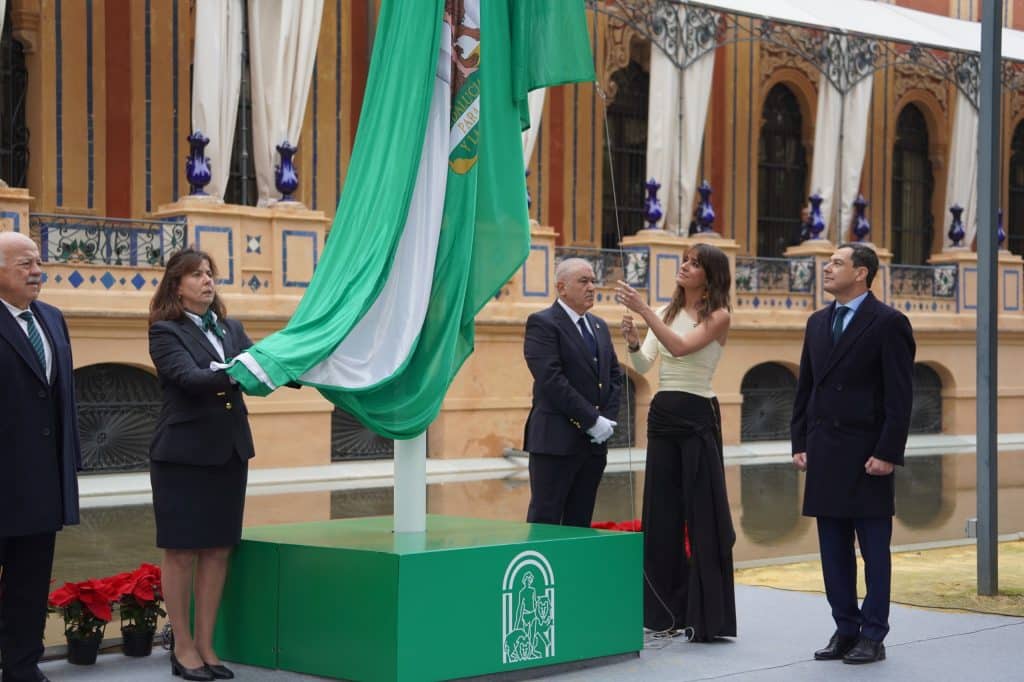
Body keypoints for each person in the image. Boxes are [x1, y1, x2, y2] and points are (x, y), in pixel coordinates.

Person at [790, 243, 915, 665]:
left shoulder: (889, 323)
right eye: (828, 263)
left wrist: (887, 452)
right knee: (832, 550)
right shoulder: (817, 322)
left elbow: (900, 397)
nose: (826, 268)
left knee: (874, 552)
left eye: (837, 263)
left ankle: (873, 634)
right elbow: (806, 387)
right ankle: (845, 628)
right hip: (824, 451)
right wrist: (799, 441)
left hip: (867, 455)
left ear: (861, 273)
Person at [615, 243, 736, 641]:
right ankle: (663, 613)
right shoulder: (666, 313)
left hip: (698, 415)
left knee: (702, 514)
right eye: (685, 260)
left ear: (710, 276)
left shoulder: (719, 315)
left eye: (695, 263)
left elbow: (681, 347)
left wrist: (643, 311)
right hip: (663, 416)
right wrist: (634, 341)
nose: (685, 267)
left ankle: (706, 617)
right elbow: (644, 364)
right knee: (660, 514)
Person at [148, 248, 256, 681]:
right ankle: (183, 647)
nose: (207, 280)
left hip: (229, 450)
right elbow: (190, 378)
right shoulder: (165, 331)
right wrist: (243, 369)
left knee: (217, 550)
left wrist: (303, 363)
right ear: (177, 286)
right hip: (183, 456)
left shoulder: (232, 328)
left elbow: (263, 366)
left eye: (210, 273)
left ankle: (207, 645)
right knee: (180, 552)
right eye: (196, 275)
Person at [0, 231, 81, 682]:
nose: (37, 272)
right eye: (25, 264)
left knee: (29, 584)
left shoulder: (51, 318)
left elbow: (60, 400)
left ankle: (22, 667)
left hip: (40, 483)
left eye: (37, 263)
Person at [522, 257, 623, 527]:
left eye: (593, 281)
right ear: (562, 287)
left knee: (580, 520)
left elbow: (614, 376)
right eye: (583, 281)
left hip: (593, 445)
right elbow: (551, 380)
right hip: (556, 441)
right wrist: (591, 419)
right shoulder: (543, 323)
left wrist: (607, 419)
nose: (592, 287)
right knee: (546, 519)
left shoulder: (599, 326)